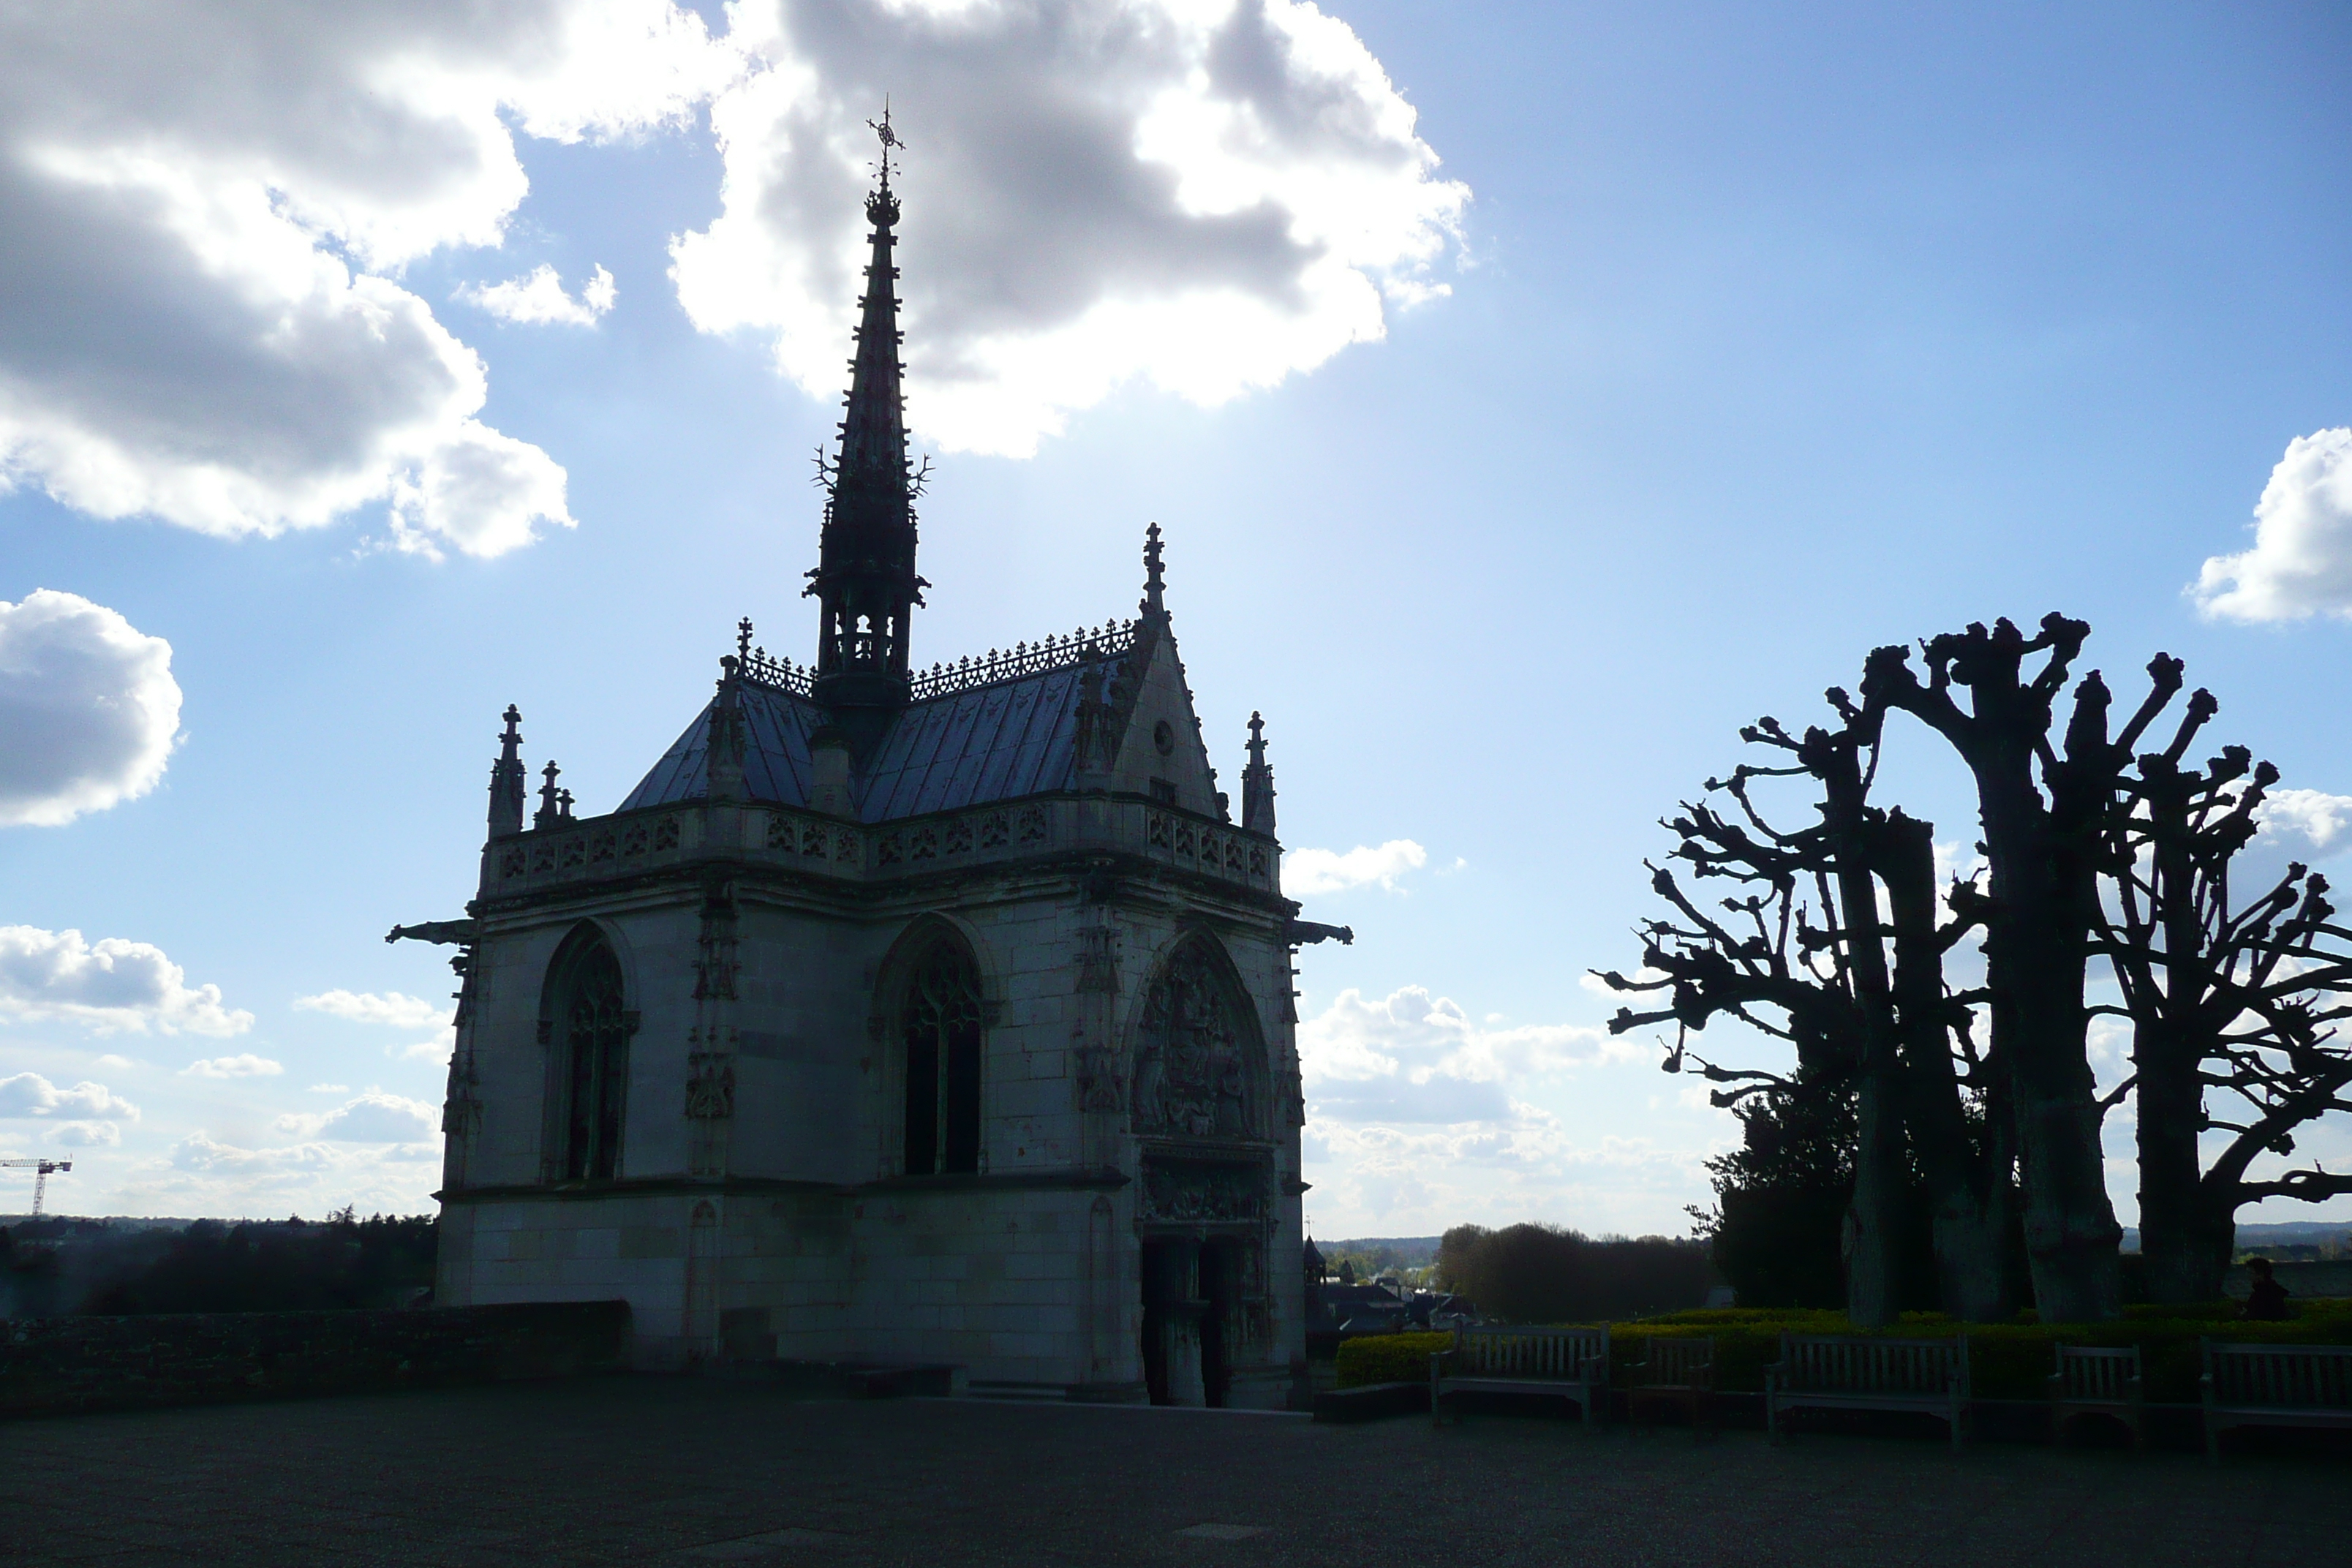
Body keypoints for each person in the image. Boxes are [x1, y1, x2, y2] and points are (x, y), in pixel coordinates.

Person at [2241, 1256, 2292, 1321]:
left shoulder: (2263, 1294)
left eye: (2250, 1273)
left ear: (2261, 1274)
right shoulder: (2273, 1290)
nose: (2248, 1277)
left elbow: (2258, 1314)